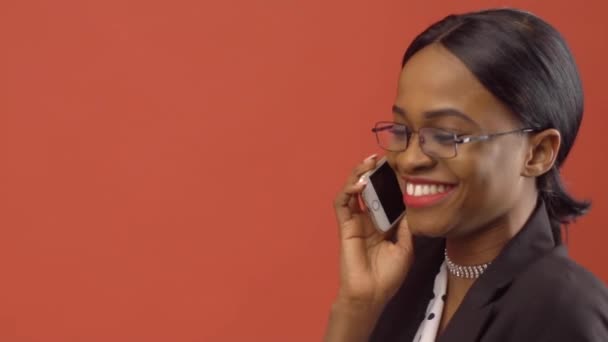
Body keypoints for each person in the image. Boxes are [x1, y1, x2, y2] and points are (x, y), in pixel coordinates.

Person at [325, 8, 608, 342]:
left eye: (446, 135)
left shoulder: (562, 310)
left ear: (538, 153)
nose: (410, 159)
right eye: (402, 130)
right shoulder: (406, 274)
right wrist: (357, 305)